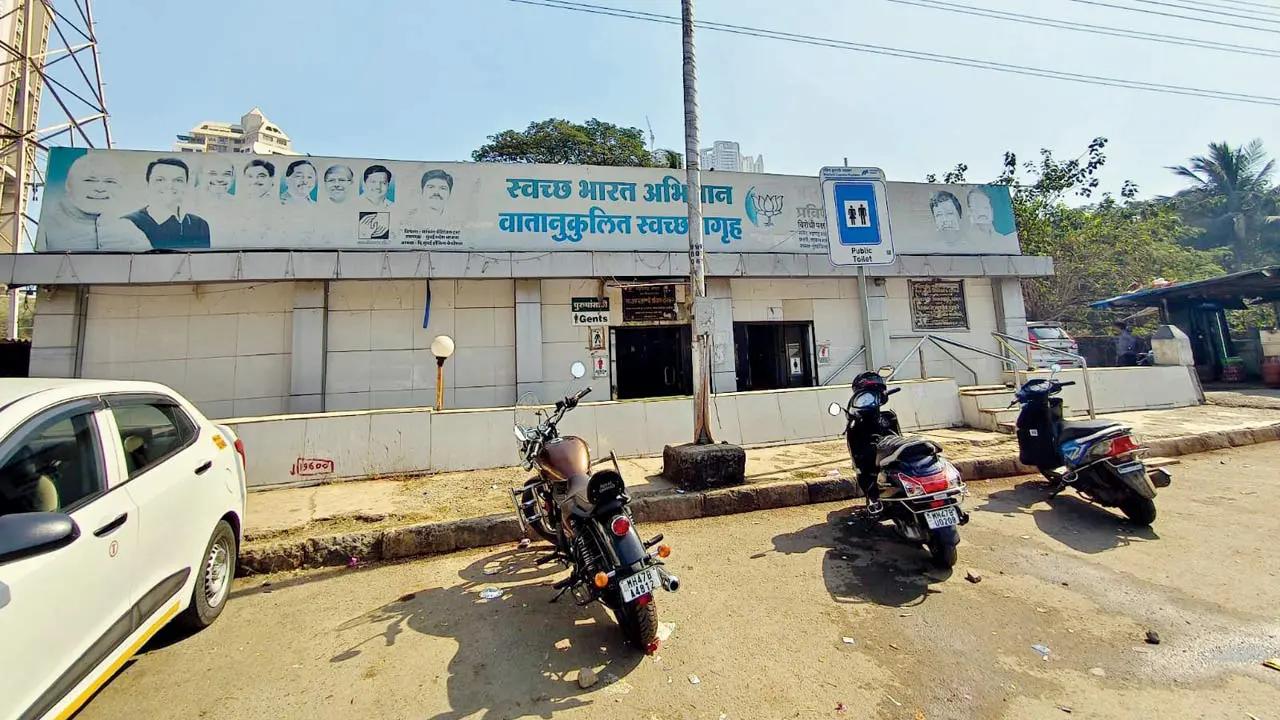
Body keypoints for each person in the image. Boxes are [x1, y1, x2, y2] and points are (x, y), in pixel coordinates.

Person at [36, 152, 135, 251]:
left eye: (110, 181)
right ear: (68, 185)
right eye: (89, 180)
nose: (100, 189)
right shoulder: (48, 226)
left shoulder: (130, 228)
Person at [121, 158, 211, 250]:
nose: (169, 186)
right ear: (147, 184)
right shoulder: (129, 223)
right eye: (160, 180)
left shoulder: (200, 224)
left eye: (178, 180)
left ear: (186, 185)